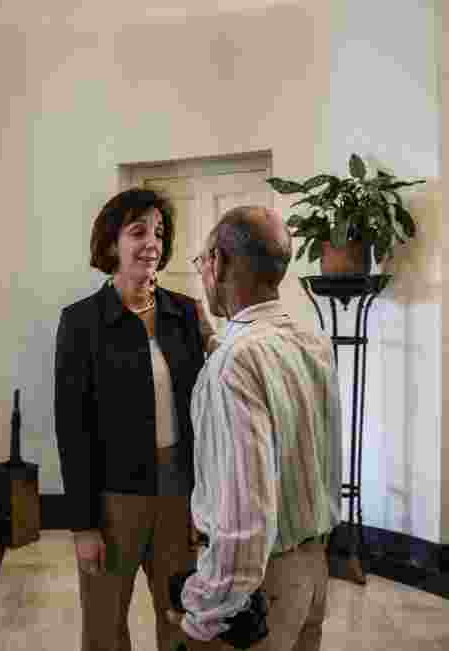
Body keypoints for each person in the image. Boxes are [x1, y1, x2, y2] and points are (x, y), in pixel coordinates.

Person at [167, 206, 342, 651]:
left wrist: (205, 616)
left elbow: (243, 518)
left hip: (260, 590)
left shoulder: (233, 363)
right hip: (313, 571)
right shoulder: (312, 341)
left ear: (220, 263)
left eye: (203, 261)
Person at [54, 187, 221, 651]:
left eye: (159, 233)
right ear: (112, 244)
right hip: (113, 499)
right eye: (138, 231)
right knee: (105, 625)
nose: (153, 242)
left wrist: (205, 500)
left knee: (182, 618)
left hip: (178, 494)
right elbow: (72, 429)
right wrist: (84, 526)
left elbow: (210, 408)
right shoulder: (81, 323)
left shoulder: (186, 313)